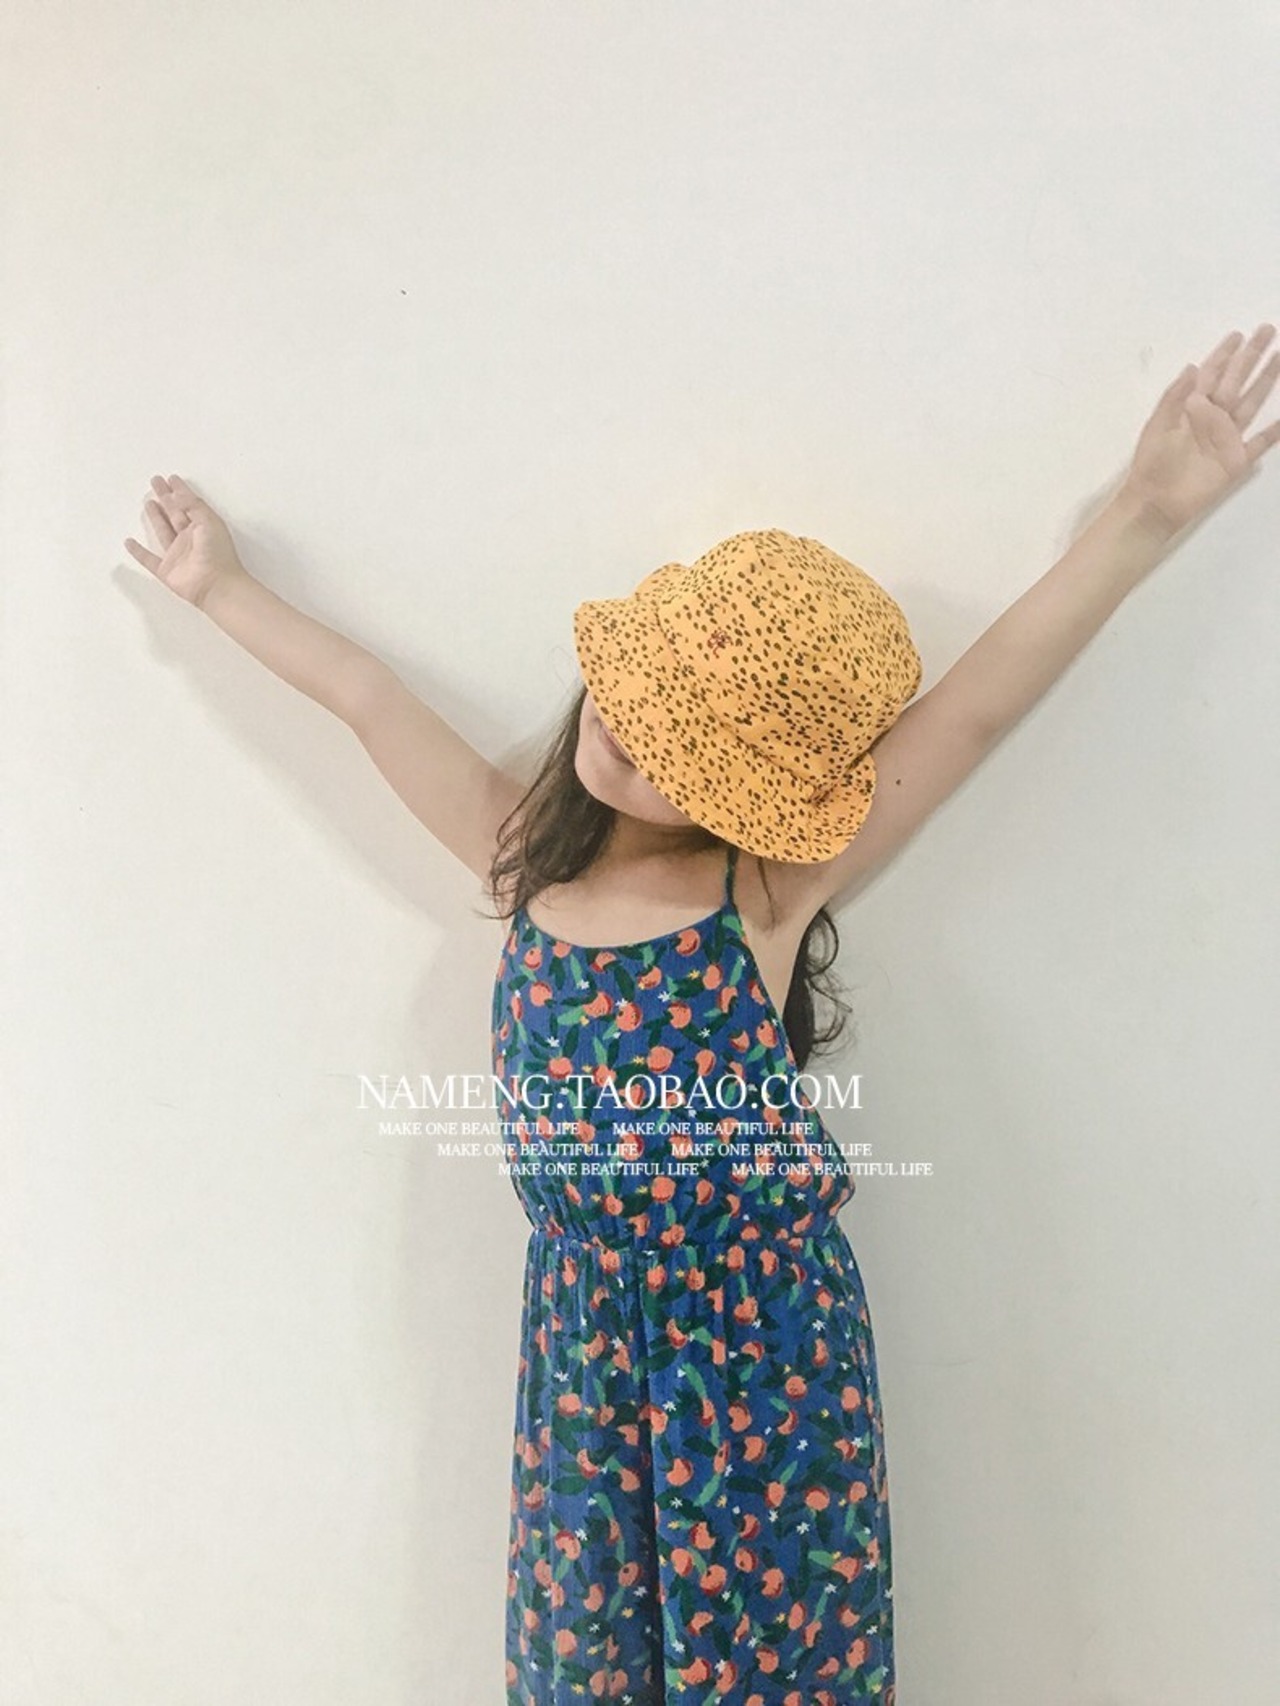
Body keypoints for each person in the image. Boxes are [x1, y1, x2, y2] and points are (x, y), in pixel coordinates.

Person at [123, 323, 1279, 1704]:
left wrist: (1147, 508)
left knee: (772, 1668)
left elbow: (971, 711)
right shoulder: (523, 858)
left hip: (765, 1364)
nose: (629, 734)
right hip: (584, 1364)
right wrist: (221, 590)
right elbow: (370, 700)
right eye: (641, 695)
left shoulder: (763, 896)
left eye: (686, 744)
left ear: (752, 790)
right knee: (590, 1661)